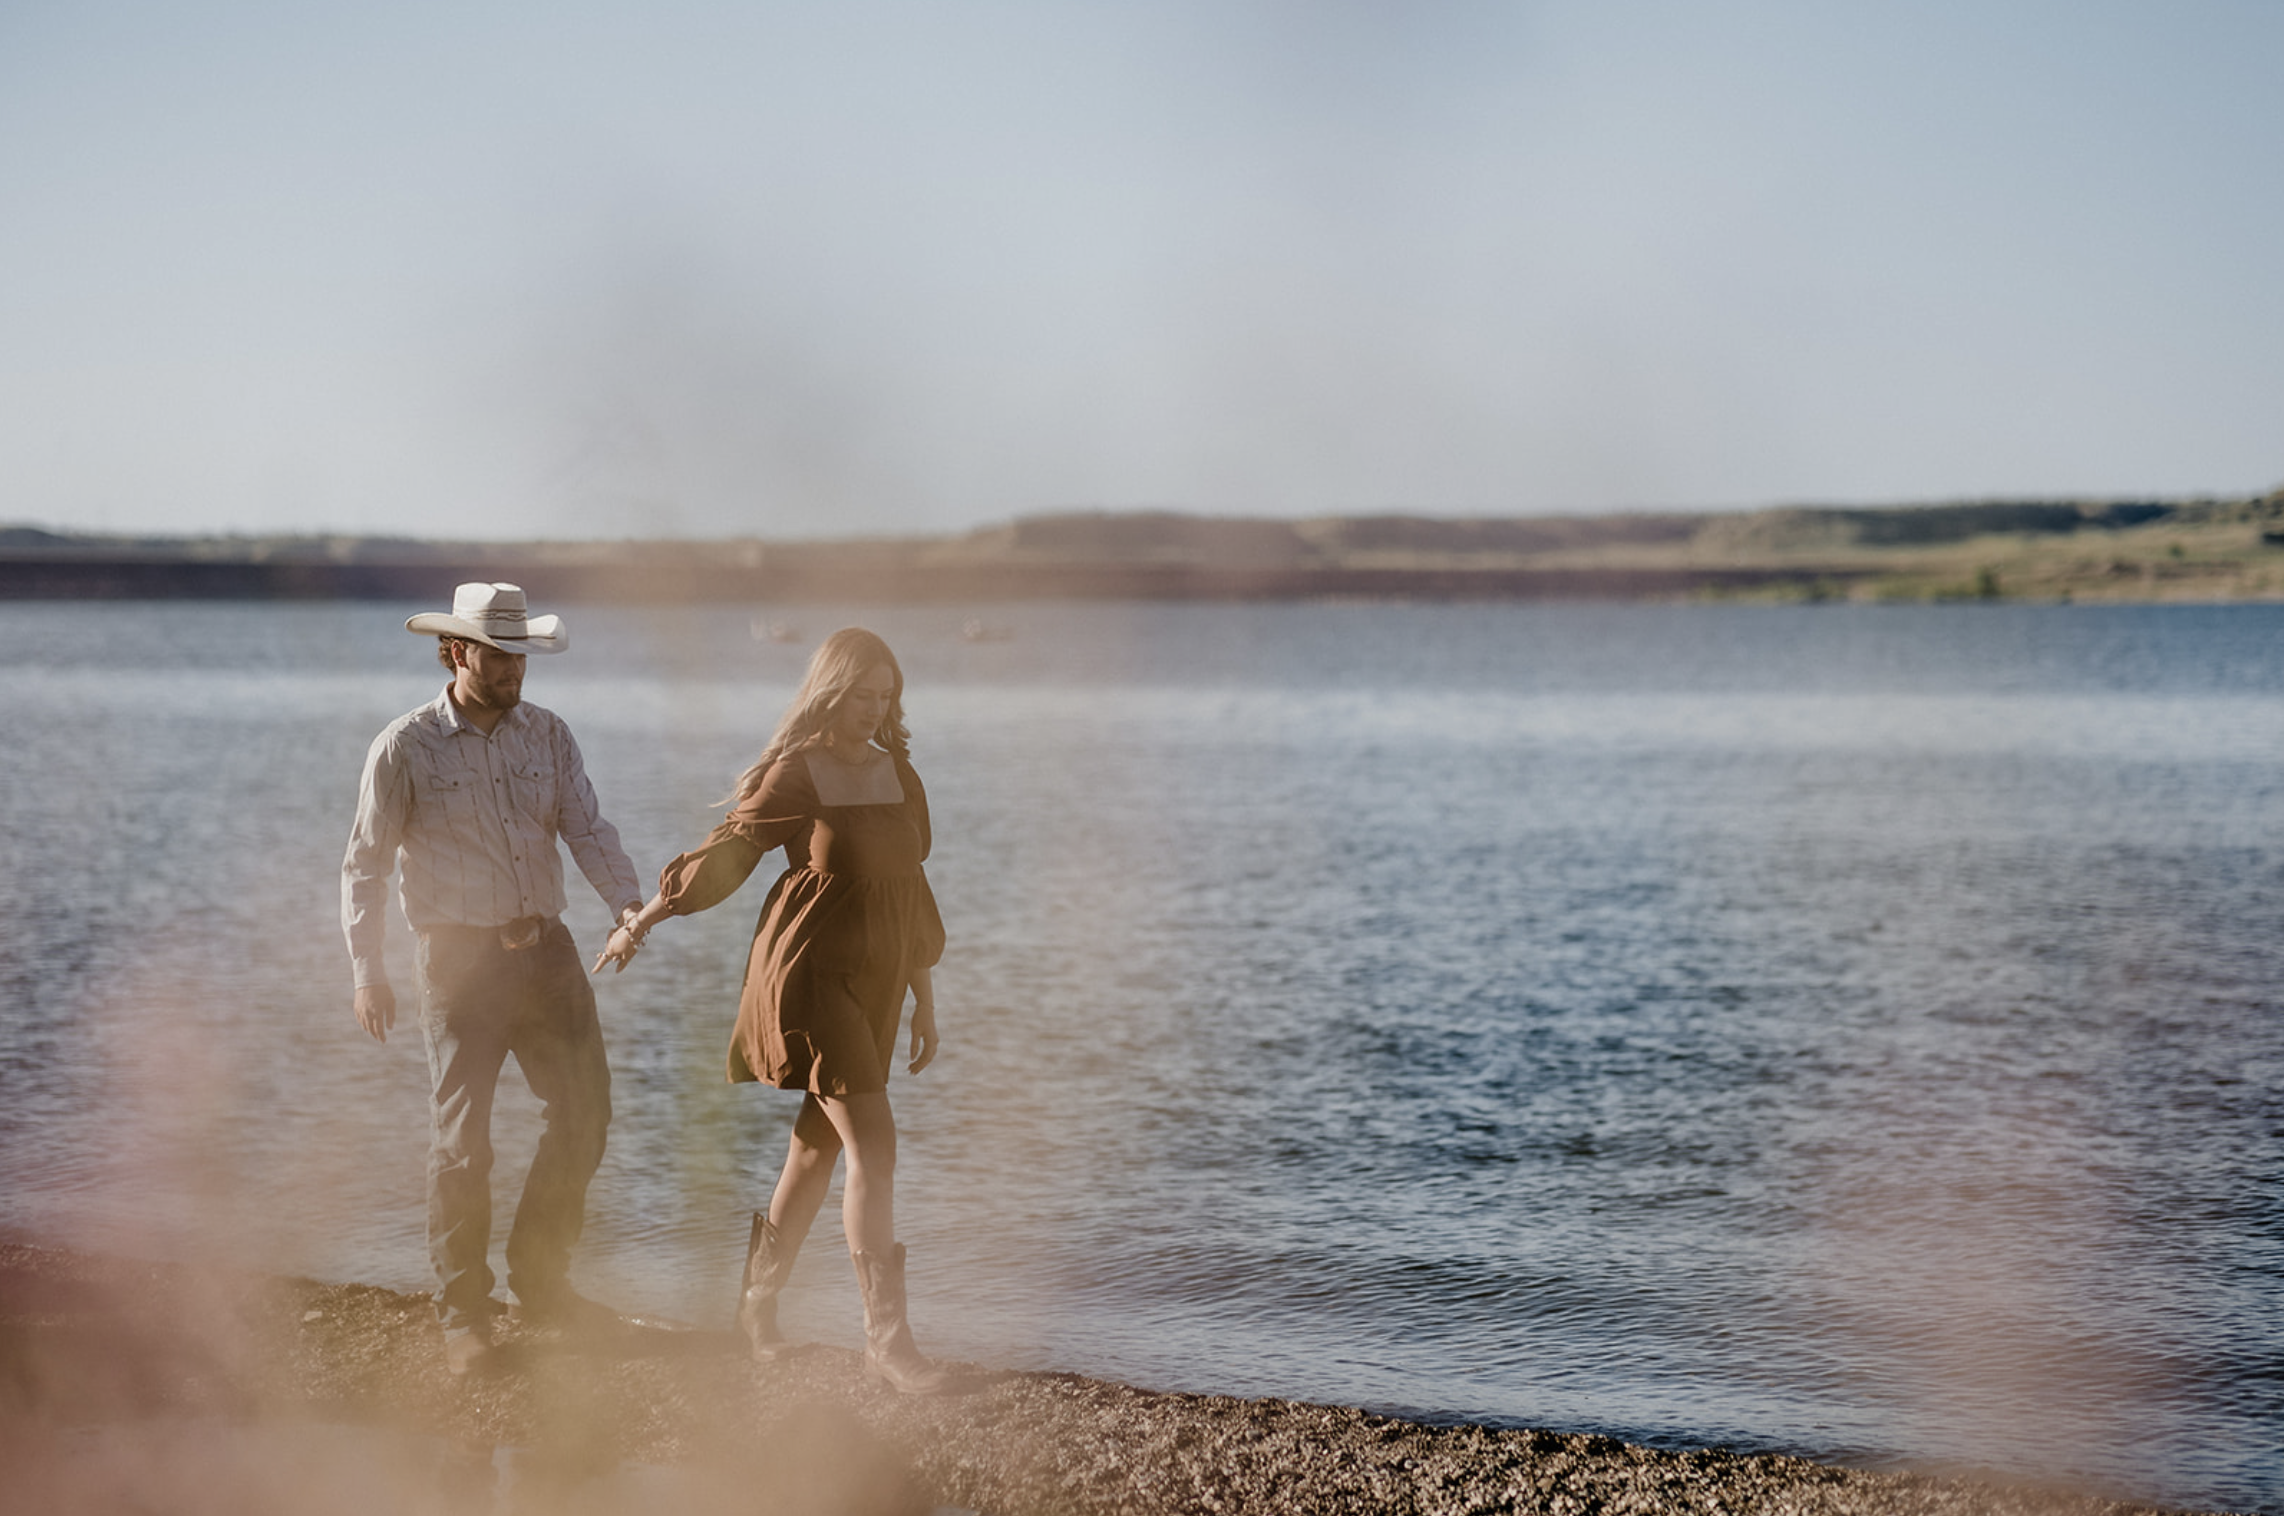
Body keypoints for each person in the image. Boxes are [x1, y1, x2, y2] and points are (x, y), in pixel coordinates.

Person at [595, 627, 948, 1393]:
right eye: (862, 694)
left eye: (886, 697)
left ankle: (755, 1308)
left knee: (818, 1150)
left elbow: (911, 890)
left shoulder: (900, 775)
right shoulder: (797, 772)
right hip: (814, 979)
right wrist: (639, 923)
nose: (874, 709)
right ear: (831, 690)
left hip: (882, 980)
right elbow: (723, 858)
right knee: (875, 1148)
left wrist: (925, 1000)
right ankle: (889, 1345)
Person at [341, 582, 646, 1377]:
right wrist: (367, 971)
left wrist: (628, 906)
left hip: (548, 952)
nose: (514, 669)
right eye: (498, 654)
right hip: (456, 964)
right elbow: (365, 866)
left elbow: (586, 825)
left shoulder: (547, 735)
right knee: (462, 1144)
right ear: (454, 652)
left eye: (521, 655)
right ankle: (463, 1317)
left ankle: (542, 1284)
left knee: (585, 1115)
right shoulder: (404, 746)